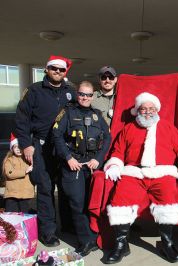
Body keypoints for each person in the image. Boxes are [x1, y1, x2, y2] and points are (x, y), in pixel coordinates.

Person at [103, 92, 178, 264]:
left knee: (167, 201)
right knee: (121, 197)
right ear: (137, 110)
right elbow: (117, 152)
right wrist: (114, 165)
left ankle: (167, 243)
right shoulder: (128, 128)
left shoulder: (168, 128)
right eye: (143, 108)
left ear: (157, 110)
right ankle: (121, 244)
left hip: (162, 173)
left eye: (151, 108)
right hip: (134, 172)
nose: (147, 112)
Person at [15, 55, 76, 247]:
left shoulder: (71, 92)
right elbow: (21, 119)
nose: (57, 72)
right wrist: (26, 144)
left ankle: (68, 225)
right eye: (54, 69)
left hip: (65, 148)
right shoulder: (34, 90)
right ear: (46, 70)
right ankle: (47, 231)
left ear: (65, 72)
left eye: (61, 69)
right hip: (41, 147)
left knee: (67, 189)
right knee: (45, 189)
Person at [52, 81, 111, 257]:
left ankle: (93, 238)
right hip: (73, 165)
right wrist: (68, 158)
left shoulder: (97, 115)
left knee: (89, 204)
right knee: (77, 204)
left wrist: (98, 159)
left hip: (91, 166)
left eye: (88, 95)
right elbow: (56, 135)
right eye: (82, 94)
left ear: (93, 96)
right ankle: (86, 242)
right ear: (77, 95)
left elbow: (107, 138)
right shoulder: (67, 113)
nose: (85, 97)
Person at [2, 133, 34, 212]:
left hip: (26, 193)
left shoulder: (29, 159)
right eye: (15, 147)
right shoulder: (9, 160)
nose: (18, 149)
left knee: (25, 215)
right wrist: (25, 171)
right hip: (12, 194)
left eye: (20, 147)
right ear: (12, 149)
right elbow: (9, 173)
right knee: (12, 216)